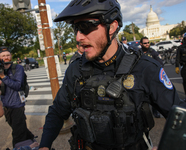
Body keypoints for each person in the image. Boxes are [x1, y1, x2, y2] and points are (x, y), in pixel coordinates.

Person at [39, 1, 186, 150]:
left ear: (112, 26)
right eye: (76, 28)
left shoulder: (145, 68)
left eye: (85, 26)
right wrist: (44, 146)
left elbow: (181, 118)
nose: (78, 37)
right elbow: (57, 111)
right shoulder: (75, 70)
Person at [0, 58, 39, 150]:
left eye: (7, 55)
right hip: (6, 106)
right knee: (19, 128)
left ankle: (23, 143)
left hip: (17, 105)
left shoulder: (17, 68)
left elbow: (17, 85)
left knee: (18, 132)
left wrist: (3, 77)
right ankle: (30, 139)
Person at [140, 37, 163, 118]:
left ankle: (155, 111)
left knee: (154, 96)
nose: (147, 44)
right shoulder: (139, 53)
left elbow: (160, 63)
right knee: (142, 97)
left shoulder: (152, 52)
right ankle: (144, 114)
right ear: (141, 44)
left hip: (152, 77)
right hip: (141, 78)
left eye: (148, 42)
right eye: (145, 43)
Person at [175, 33, 186, 100]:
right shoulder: (180, 48)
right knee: (185, 82)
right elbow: (177, 58)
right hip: (184, 67)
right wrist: (177, 66)